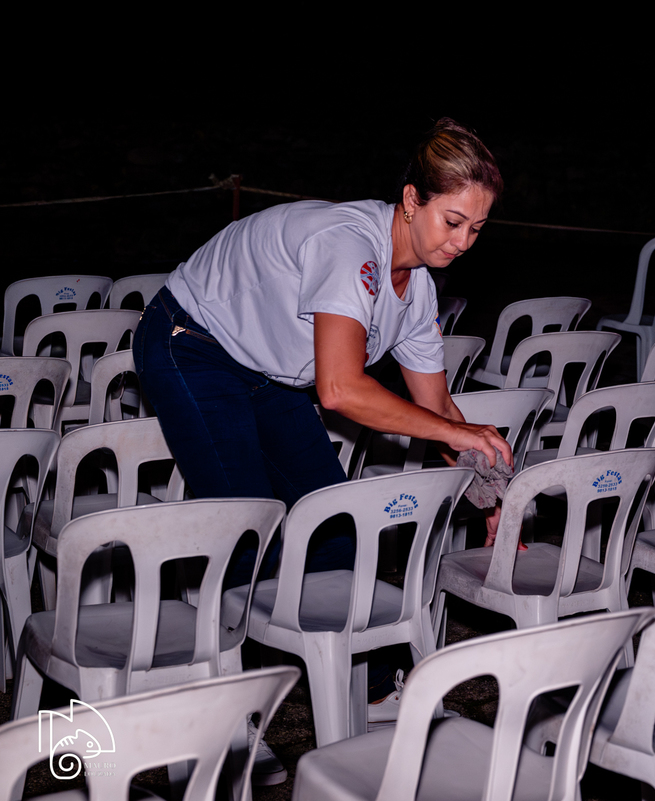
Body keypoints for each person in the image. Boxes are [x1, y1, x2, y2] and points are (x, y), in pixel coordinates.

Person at [133, 118, 511, 782]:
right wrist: (456, 434)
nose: (462, 242)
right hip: (190, 341)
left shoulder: (418, 289)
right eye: (452, 221)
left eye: (476, 229)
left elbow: (438, 412)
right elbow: (339, 389)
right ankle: (218, 722)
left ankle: (368, 694)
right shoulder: (349, 246)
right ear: (411, 200)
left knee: (338, 526)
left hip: (266, 370)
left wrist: (491, 491)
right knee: (245, 528)